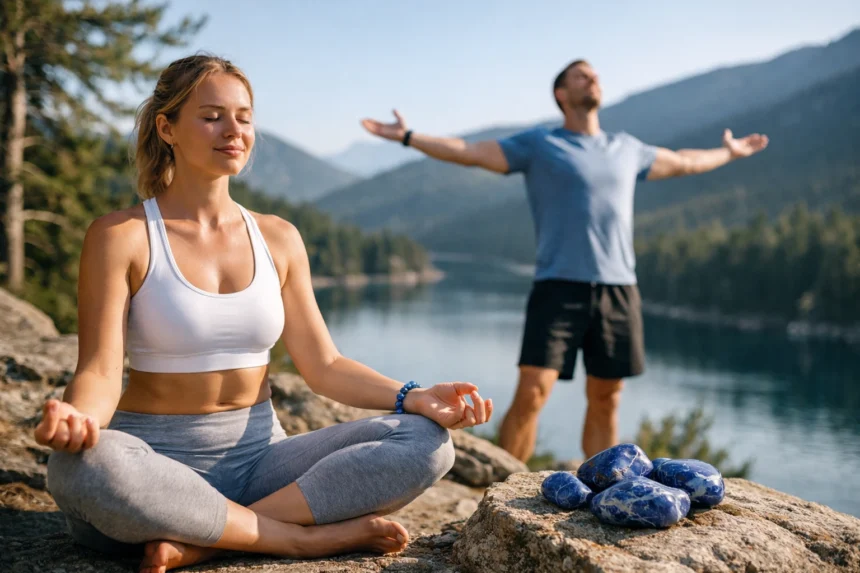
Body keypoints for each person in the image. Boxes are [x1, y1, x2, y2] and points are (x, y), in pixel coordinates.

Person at [35, 55, 493, 573]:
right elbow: (99, 370)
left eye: (244, 116)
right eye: (211, 116)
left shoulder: (278, 237)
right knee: (82, 468)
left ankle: (211, 539)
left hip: (263, 465)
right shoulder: (122, 236)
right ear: (167, 128)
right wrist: (80, 420)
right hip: (154, 466)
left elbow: (324, 366)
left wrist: (414, 396)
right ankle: (296, 539)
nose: (234, 130)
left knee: (426, 443)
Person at [361, 59, 767, 464]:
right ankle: (504, 487)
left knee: (607, 396)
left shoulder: (627, 148)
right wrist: (409, 136)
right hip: (558, 287)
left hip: (619, 289)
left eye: (595, 75)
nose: (593, 79)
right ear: (562, 94)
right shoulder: (541, 145)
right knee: (533, 392)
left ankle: (605, 487)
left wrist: (727, 154)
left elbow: (684, 161)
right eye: (581, 75)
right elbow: (470, 152)